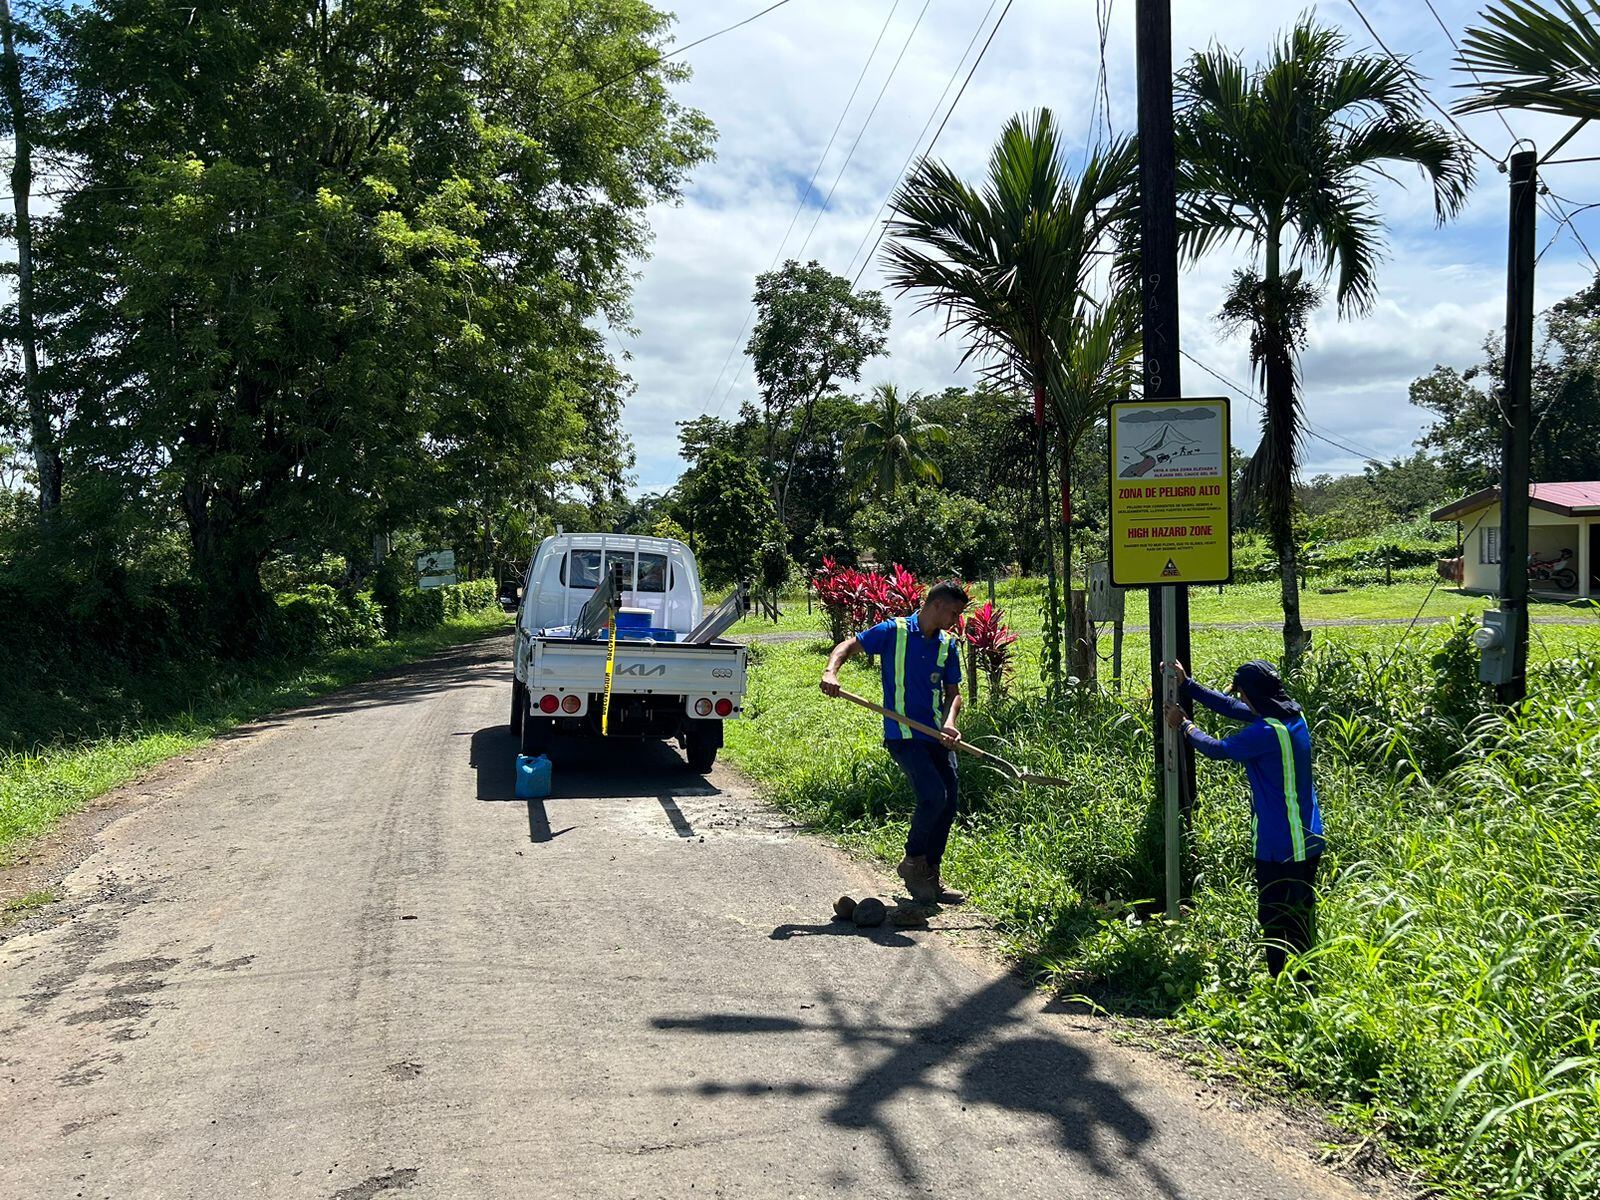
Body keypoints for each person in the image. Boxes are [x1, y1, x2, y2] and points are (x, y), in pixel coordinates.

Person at [1164, 659, 1325, 978]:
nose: (1241, 700)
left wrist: (1184, 725)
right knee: (1301, 915)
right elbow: (1232, 708)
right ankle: (1305, 982)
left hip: (1281, 843)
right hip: (1309, 836)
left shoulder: (1266, 734)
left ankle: (1285, 986)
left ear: (1253, 695)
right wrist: (1188, 685)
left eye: (1243, 694)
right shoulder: (1292, 718)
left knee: (1274, 917)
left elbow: (1219, 749)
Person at [820, 581, 970, 905]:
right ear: (937, 606)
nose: (956, 620)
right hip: (903, 735)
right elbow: (847, 646)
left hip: (936, 736)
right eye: (955, 613)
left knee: (949, 802)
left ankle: (931, 873)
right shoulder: (894, 631)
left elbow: (953, 694)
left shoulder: (948, 645)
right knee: (932, 795)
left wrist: (949, 723)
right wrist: (831, 672)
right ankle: (912, 861)